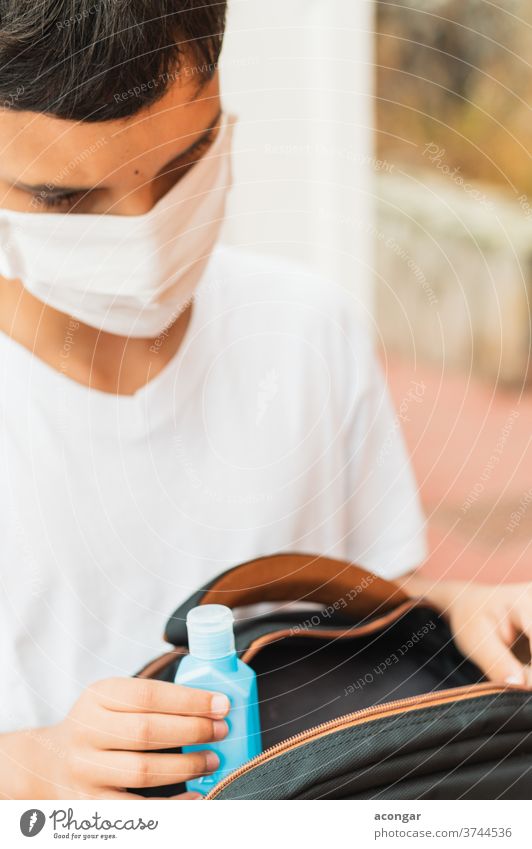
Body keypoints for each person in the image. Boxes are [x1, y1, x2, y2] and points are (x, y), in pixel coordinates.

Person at [0, 1, 529, 800]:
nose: (145, 232)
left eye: (186, 163)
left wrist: (451, 609)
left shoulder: (307, 328)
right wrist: (38, 765)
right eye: (68, 200)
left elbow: (344, 627)